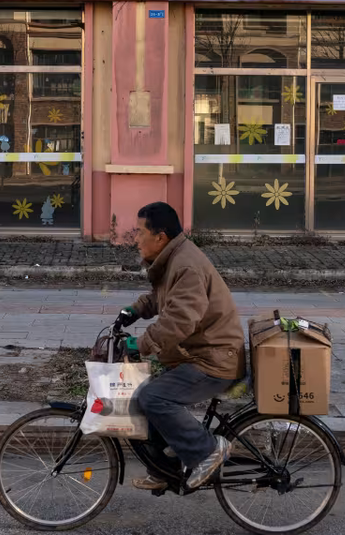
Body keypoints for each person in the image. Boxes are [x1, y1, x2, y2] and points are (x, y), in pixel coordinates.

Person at [115, 202, 246, 491]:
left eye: (139, 232)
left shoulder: (185, 265)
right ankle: (166, 469)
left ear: (159, 237)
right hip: (202, 352)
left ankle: (207, 450)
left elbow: (180, 320)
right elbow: (164, 298)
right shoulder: (174, 257)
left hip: (214, 359)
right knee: (143, 397)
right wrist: (135, 310)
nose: (135, 239)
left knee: (154, 398)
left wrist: (143, 343)